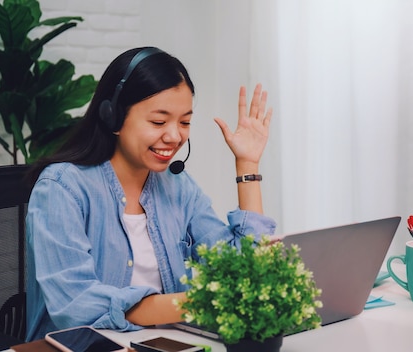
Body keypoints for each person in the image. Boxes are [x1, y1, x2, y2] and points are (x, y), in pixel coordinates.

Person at [24, 46, 276, 341]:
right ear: (114, 117)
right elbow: (77, 305)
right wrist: (197, 303)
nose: (174, 136)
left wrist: (247, 164)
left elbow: (242, 272)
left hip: (165, 343)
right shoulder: (62, 188)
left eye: (184, 122)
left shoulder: (178, 187)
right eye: (159, 121)